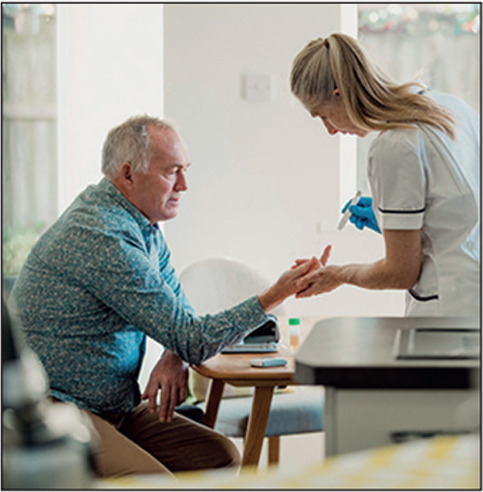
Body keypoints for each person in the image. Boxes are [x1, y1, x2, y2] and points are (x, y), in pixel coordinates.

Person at [10, 115, 321, 478]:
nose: (185, 185)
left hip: (116, 407)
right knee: (157, 483)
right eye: (172, 171)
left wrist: (175, 354)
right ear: (127, 174)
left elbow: (181, 322)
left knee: (219, 458)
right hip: (61, 409)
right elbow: (192, 336)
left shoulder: (144, 226)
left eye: (185, 170)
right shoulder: (103, 235)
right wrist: (275, 294)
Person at [290, 33, 480, 317]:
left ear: (339, 96)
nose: (329, 130)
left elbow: (399, 273)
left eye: (323, 115)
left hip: (450, 314)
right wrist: (390, 219)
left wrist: (338, 275)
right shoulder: (452, 108)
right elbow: (457, 212)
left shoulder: (392, 145)